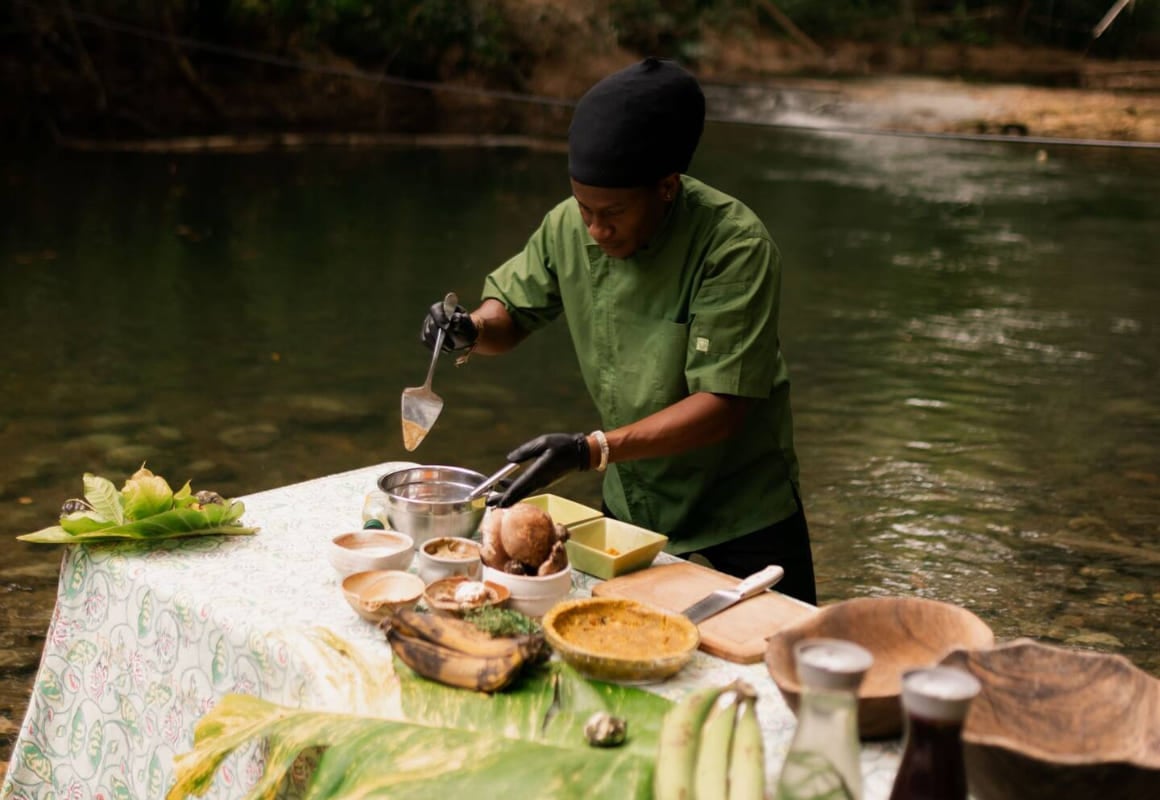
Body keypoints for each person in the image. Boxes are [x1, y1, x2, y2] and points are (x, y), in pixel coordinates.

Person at [420, 57, 816, 604]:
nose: (596, 229)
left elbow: (723, 405)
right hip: (634, 499)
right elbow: (507, 316)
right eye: (585, 209)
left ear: (668, 187)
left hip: (741, 504)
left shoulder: (734, 247)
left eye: (614, 213)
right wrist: (467, 328)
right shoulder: (569, 225)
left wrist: (589, 451)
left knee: (779, 660)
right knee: (616, 641)